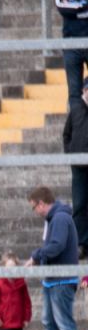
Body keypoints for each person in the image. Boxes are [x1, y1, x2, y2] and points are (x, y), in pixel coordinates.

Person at [25, 185, 82, 330]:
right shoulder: (54, 219)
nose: (35, 212)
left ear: (41, 204)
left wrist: (36, 255)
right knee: (50, 322)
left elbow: (57, 246)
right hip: (52, 281)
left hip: (62, 280)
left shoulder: (59, 219)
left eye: (34, 207)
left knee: (63, 323)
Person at [56, 0, 88, 101]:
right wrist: (83, 7)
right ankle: (77, 123)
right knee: (74, 92)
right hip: (71, 45)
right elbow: (62, 8)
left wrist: (73, 9)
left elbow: (69, 10)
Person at [64, 85, 88, 259]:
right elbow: (66, 134)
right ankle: (81, 243)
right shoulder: (76, 109)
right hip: (78, 166)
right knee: (79, 204)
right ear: (84, 91)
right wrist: (70, 155)